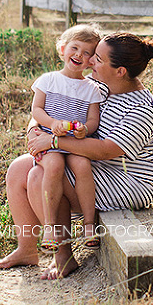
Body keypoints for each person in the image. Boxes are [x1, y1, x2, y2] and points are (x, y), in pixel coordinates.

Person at [0, 31, 153, 280]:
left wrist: (53, 141)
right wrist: (34, 129)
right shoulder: (100, 86)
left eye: (98, 59)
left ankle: (63, 256)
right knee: (18, 169)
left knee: (40, 176)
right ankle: (26, 249)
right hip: (94, 165)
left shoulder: (141, 109)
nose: (90, 61)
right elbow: (47, 107)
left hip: (127, 181)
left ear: (120, 71)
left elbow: (105, 150)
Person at [30, 24, 103, 253]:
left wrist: (85, 130)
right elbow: (36, 110)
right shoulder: (48, 80)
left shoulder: (92, 89)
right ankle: (50, 226)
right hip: (49, 139)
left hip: (76, 143)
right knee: (53, 165)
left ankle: (89, 224)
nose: (79, 55)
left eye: (87, 52)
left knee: (82, 166)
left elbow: (93, 120)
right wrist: (52, 123)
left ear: (92, 60)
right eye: (75, 48)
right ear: (62, 49)